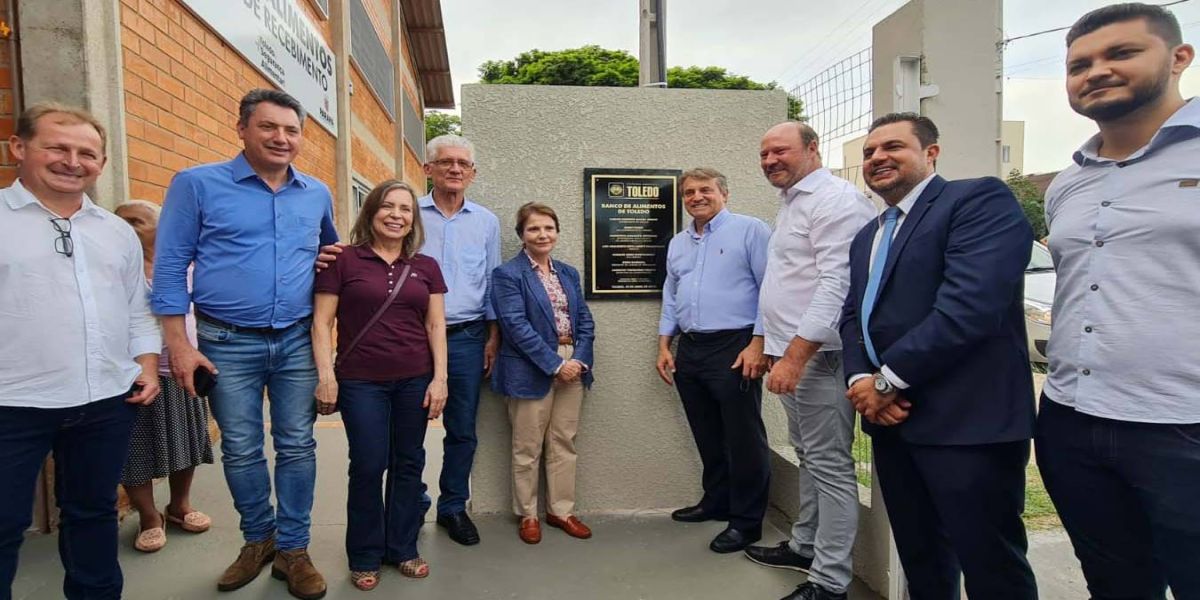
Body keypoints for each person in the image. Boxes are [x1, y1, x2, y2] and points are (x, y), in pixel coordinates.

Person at [1038, 4, 1200, 597]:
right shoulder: (1068, 183)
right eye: (1080, 64)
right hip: (1071, 421)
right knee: (1114, 582)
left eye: (1121, 53)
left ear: (1179, 58)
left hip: (1184, 426)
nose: (1095, 71)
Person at [840, 112, 1037, 600]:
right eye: (869, 152)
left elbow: (969, 308)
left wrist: (884, 383)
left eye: (893, 147)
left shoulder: (975, 201)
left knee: (992, 566)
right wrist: (859, 379)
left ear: (931, 153)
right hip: (893, 425)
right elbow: (852, 317)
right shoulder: (869, 234)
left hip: (967, 426)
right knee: (922, 560)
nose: (877, 158)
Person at [153, 88, 338, 599]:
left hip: (297, 341)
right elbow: (169, 267)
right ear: (242, 129)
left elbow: (330, 255)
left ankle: (294, 550)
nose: (282, 138)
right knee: (240, 446)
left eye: (291, 130)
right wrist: (178, 346)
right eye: (269, 127)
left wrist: (329, 262)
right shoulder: (197, 185)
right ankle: (258, 540)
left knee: (298, 444)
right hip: (225, 342)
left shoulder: (316, 192)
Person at [0, 103, 160, 599]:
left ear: (101, 164)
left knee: (93, 515)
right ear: (19, 148)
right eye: (58, 148)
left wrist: (148, 366)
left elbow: (137, 308)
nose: (73, 161)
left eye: (87, 153)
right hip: (12, 404)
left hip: (104, 401)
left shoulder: (114, 232)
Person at [321, 134, 501, 545]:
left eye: (463, 164)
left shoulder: (486, 222)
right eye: (446, 162)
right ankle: (412, 501)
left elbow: (492, 283)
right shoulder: (407, 212)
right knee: (407, 433)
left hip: (468, 337)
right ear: (428, 168)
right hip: (408, 337)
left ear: (472, 173)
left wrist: (494, 337)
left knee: (462, 427)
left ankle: (453, 506)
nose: (455, 169)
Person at [747, 122, 874, 600]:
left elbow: (835, 286)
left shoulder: (836, 201)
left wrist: (795, 357)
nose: (769, 160)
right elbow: (782, 283)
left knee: (831, 466)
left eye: (779, 151)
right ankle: (805, 546)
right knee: (809, 456)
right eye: (763, 154)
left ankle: (830, 581)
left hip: (818, 360)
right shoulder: (793, 202)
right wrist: (763, 343)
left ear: (813, 149)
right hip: (788, 355)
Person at [312, 180, 448, 591]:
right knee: (369, 464)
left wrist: (440, 378)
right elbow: (321, 322)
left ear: (413, 219)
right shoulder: (343, 261)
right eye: (387, 206)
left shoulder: (426, 266)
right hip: (360, 382)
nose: (396, 215)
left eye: (405, 209)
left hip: (414, 379)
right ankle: (365, 553)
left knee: (409, 462)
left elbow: (435, 324)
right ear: (371, 212)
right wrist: (326, 376)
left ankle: (403, 547)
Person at [656, 167, 772, 553]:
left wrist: (758, 343)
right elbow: (671, 296)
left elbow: (771, 289)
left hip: (735, 345)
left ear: (724, 193)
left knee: (743, 438)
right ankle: (717, 501)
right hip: (690, 348)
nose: (696, 197)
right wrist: (663, 345)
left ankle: (747, 521)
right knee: (707, 433)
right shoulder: (679, 243)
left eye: (704, 190)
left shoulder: (750, 230)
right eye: (689, 192)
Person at [491, 202, 596, 544]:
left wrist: (578, 359)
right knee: (527, 446)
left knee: (564, 441)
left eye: (549, 228)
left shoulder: (568, 273)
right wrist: (555, 364)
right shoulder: (508, 275)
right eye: (534, 228)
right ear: (522, 235)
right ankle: (527, 514)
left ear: (557, 232)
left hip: (572, 362)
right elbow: (515, 326)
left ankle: (560, 510)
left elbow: (584, 320)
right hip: (530, 366)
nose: (542, 234)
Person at [115, 199, 214, 554]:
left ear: (161, 225)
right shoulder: (118, 268)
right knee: (135, 449)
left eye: (136, 220)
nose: (126, 226)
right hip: (133, 374)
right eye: (121, 221)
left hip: (181, 369)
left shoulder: (186, 266)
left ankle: (179, 507)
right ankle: (148, 516)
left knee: (185, 444)